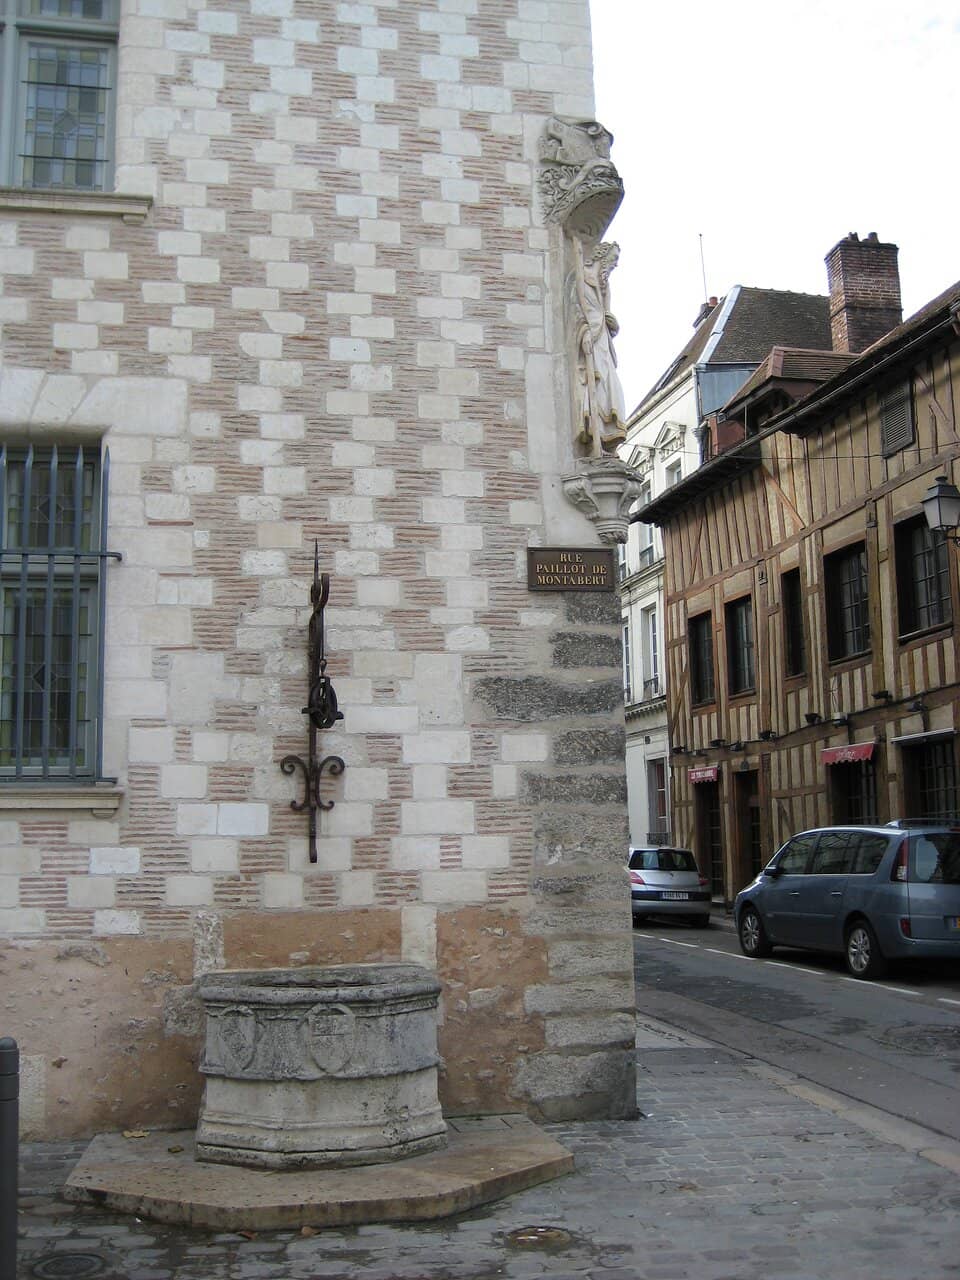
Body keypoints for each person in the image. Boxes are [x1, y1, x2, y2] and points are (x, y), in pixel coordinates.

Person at [572, 239, 627, 457]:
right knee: (595, 385)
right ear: (602, 257)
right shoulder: (581, 276)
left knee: (608, 387)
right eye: (613, 260)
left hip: (603, 341)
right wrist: (583, 332)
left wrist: (611, 323)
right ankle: (595, 439)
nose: (615, 265)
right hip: (591, 340)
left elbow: (605, 314)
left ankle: (605, 440)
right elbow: (576, 310)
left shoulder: (605, 285)